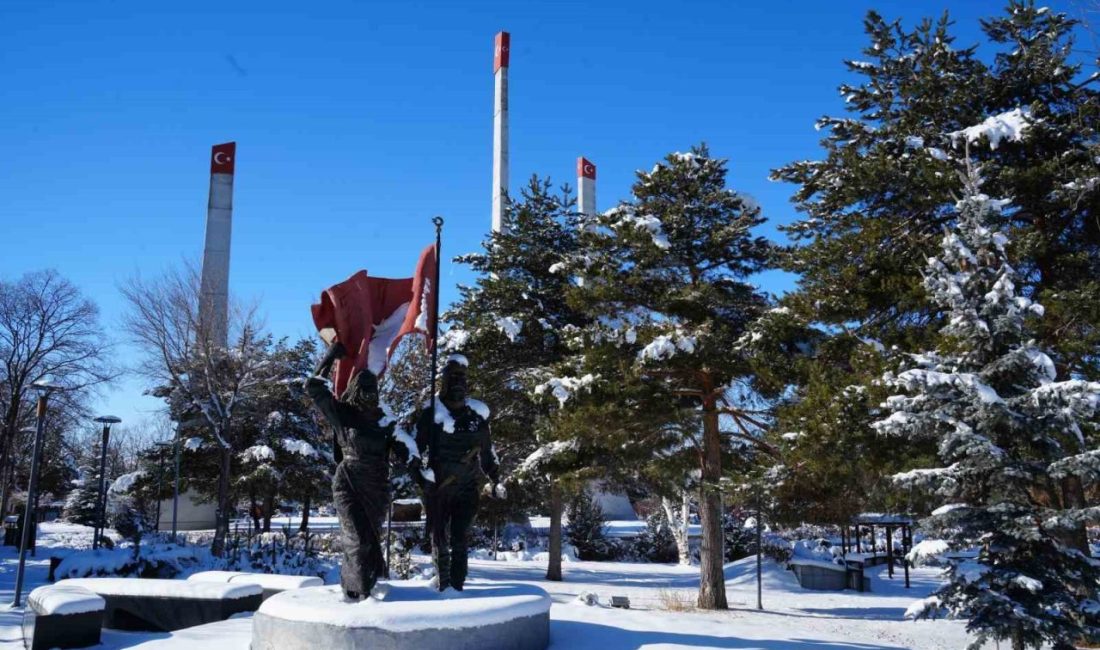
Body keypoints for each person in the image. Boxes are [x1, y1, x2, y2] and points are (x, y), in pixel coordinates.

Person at [304, 342, 416, 600]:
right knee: (357, 538)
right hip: (349, 482)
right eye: (364, 388)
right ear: (355, 390)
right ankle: (356, 593)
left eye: (373, 388)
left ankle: (369, 586)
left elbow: (406, 449)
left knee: (371, 539)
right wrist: (331, 356)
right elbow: (313, 387)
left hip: (377, 485)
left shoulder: (384, 422)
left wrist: (419, 465)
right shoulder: (344, 415)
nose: (369, 393)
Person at [415, 356, 503, 591]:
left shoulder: (476, 419)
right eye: (453, 377)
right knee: (440, 540)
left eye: (462, 378)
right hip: (439, 489)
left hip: (466, 488)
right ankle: (443, 587)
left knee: (460, 540)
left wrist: (495, 479)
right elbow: (415, 450)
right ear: (443, 381)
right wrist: (420, 478)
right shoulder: (431, 415)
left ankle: (457, 587)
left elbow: (487, 453)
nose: (458, 383)